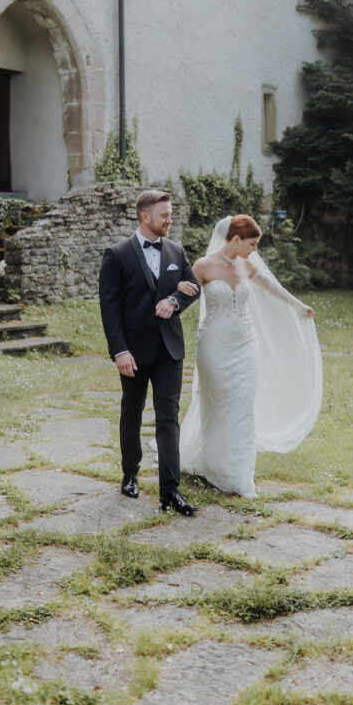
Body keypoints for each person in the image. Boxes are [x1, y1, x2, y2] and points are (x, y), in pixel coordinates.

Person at [179, 214, 323, 497]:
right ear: (235, 239)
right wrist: (172, 295)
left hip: (245, 344)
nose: (254, 250)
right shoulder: (203, 265)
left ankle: (239, 476)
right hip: (213, 345)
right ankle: (211, 462)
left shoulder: (247, 266)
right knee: (217, 404)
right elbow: (185, 296)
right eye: (252, 244)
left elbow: (272, 288)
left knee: (243, 406)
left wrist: (299, 306)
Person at [98, 189, 201, 515]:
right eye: (164, 215)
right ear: (145, 217)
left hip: (169, 350)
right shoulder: (117, 254)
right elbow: (109, 309)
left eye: (170, 215)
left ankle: (170, 491)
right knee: (132, 411)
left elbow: (192, 287)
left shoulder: (176, 250)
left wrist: (174, 301)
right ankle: (130, 474)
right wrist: (120, 352)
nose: (170, 220)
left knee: (168, 418)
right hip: (133, 351)